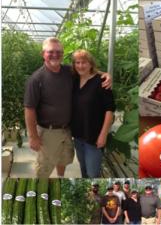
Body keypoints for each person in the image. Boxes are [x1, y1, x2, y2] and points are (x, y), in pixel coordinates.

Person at [24, 37, 111, 178]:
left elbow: (87, 70)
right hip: (48, 132)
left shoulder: (67, 72)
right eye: (51, 52)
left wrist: (106, 75)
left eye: (59, 52)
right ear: (43, 54)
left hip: (67, 130)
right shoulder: (36, 79)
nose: (55, 55)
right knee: (44, 167)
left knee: (63, 159)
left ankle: (60, 179)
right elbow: (29, 109)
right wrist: (33, 136)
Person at [71, 49, 115, 178]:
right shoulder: (74, 80)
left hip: (94, 137)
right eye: (77, 62)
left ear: (91, 63)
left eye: (84, 62)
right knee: (83, 168)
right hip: (78, 136)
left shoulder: (101, 82)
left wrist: (103, 135)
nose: (80, 65)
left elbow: (109, 110)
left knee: (92, 173)